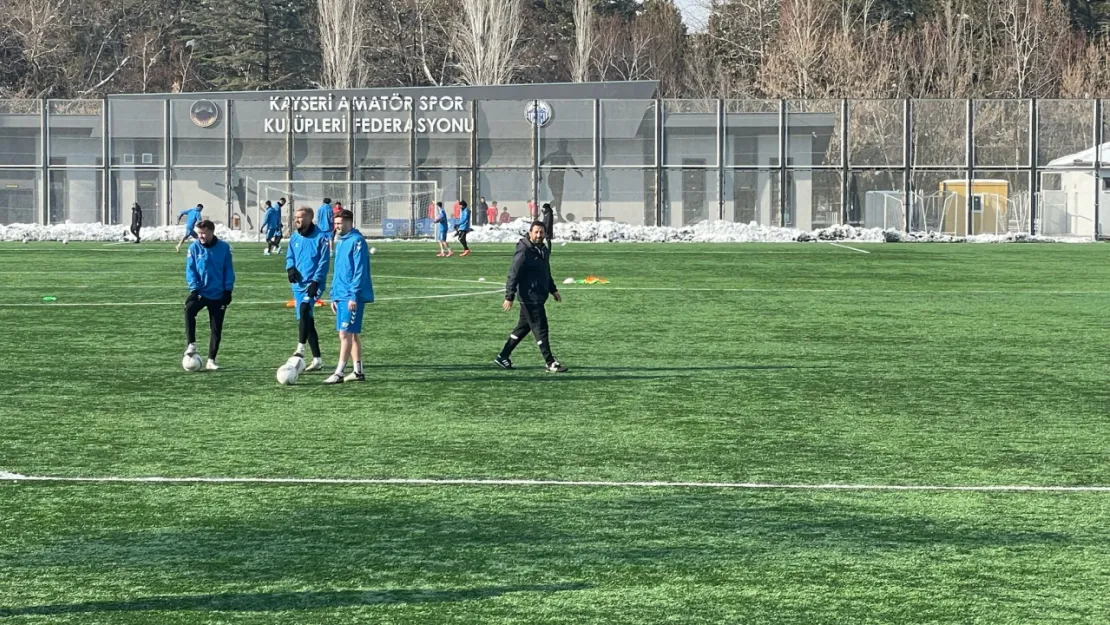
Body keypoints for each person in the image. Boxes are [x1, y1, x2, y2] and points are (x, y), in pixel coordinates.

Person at [494, 221, 567, 373]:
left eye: (541, 232)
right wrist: (509, 296)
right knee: (541, 329)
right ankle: (550, 362)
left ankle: (503, 356)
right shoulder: (524, 251)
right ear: (530, 233)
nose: (539, 235)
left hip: (539, 295)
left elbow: (546, 272)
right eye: (536, 232)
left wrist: (553, 290)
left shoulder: (543, 250)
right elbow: (513, 273)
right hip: (529, 297)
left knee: (523, 328)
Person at [326, 209, 375, 384]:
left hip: (351, 296)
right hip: (341, 295)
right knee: (352, 334)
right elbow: (338, 271)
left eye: (340, 223)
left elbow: (359, 271)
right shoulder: (340, 243)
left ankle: (338, 372)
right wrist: (333, 295)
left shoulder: (358, 242)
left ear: (349, 222)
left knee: (344, 334)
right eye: (335, 223)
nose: (337, 226)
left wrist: (353, 295)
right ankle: (358, 371)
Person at [184, 220, 235, 371]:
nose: (201, 236)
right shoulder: (194, 247)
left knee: (216, 327)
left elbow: (228, 270)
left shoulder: (224, 248)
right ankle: (191, 344)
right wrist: (194, 290)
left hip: (218, 294)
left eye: (204, 233)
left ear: (212, 232)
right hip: (200, 292)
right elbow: (190, 270)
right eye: (199, 233)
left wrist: (228, 290)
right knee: (189, 309)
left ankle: (211, 360)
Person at [286, 207, 331, 372]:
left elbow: (324, 262)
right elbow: (289, 255)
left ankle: (300, 349)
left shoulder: (321, 237)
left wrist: (315, 281)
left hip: (313, 285)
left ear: (309, 219)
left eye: (300, 217)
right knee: (307, 320)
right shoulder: (295, 236)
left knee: (305, 309)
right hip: (298, 285)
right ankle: (317, 359)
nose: (297, 220)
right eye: (296, 217)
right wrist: (290, 268)